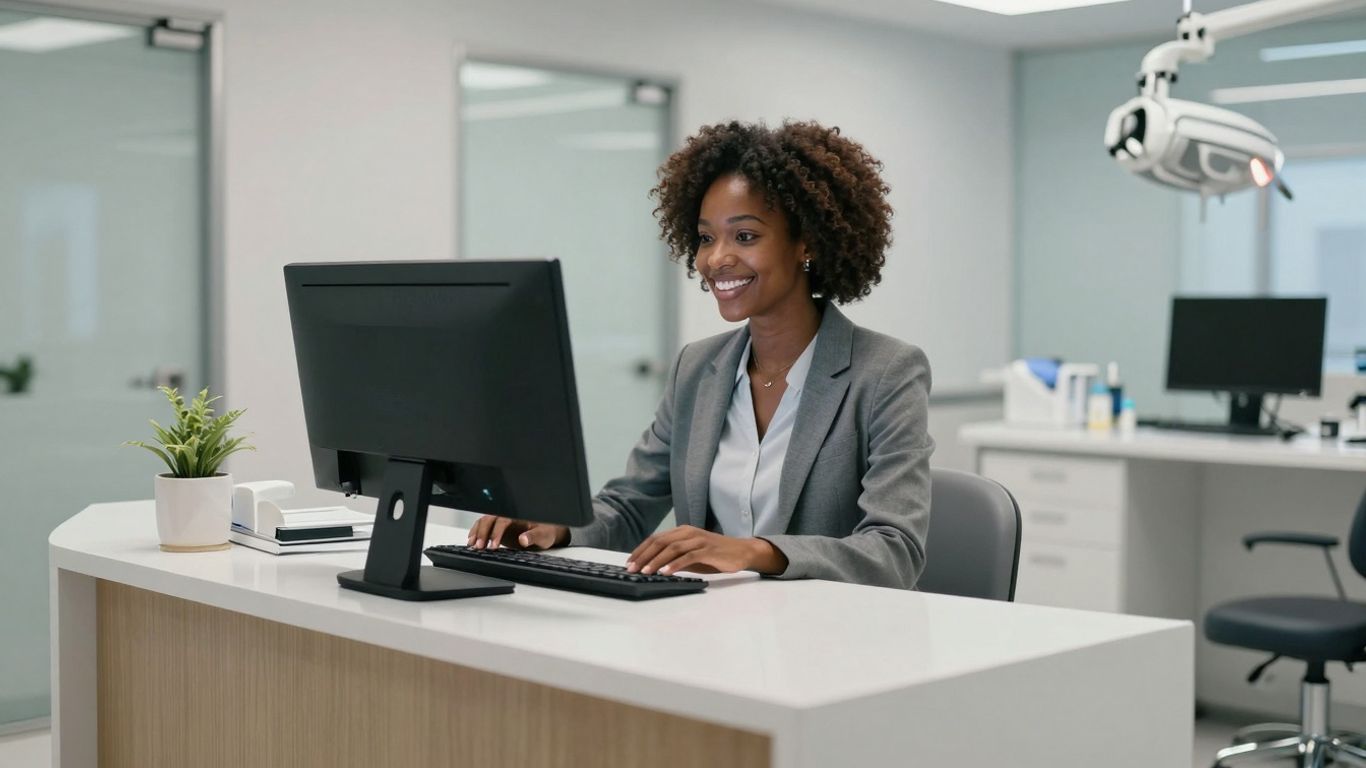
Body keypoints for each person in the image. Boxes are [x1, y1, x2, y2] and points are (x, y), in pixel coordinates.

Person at [468, 120, 934, 590]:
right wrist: (556, 527)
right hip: (712, 630)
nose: (715, 260)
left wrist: (756, 552)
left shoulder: (886, 372)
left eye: (745, 237)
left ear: (806, 243)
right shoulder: (698, 368)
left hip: (829, 638)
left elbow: (894, 550)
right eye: (707, 238)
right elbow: (632, 504)